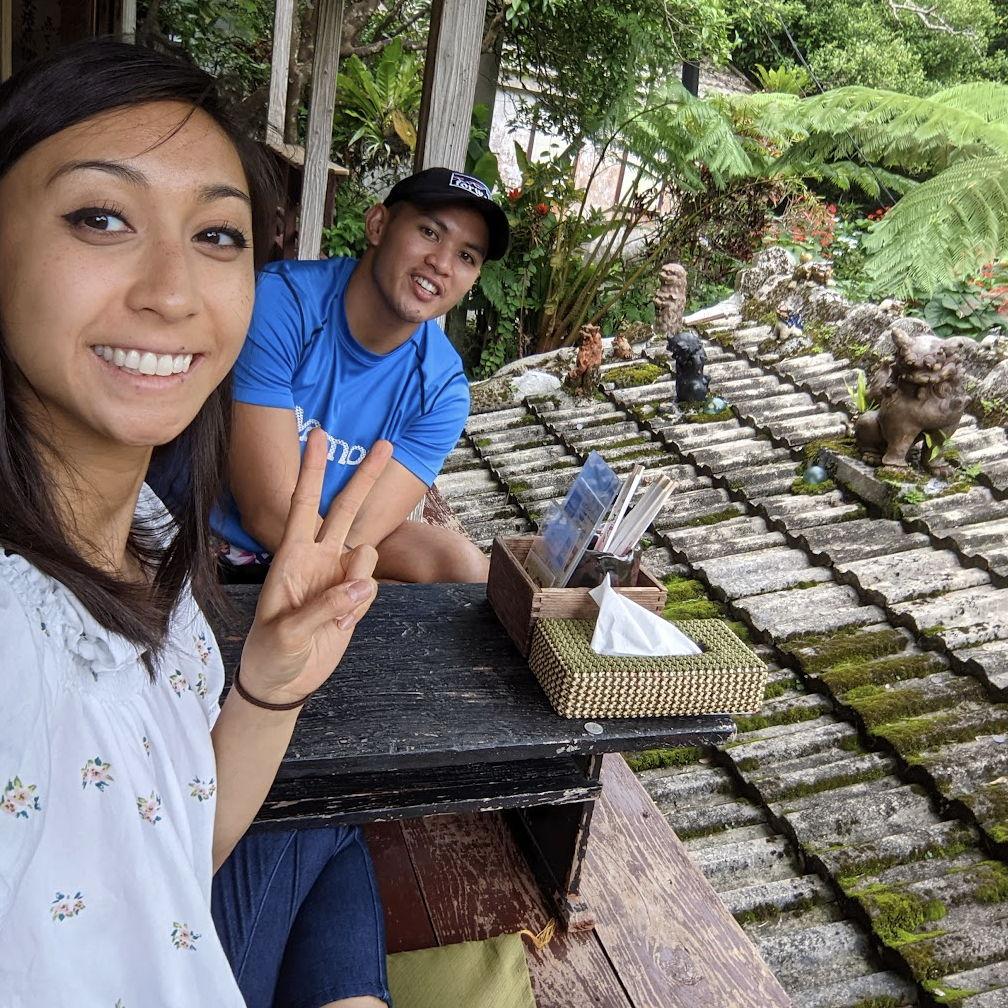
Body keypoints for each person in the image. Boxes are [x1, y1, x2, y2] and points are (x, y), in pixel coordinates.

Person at [0, 39, 392, 1008]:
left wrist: (268, 686)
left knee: (329, 827)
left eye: (218, 236)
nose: (173, 293)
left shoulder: (141, 526)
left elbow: (163, 846)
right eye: (102, 218)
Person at [210, 167, 511, 584]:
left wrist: (351, 575)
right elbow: (266, 512)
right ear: (377, 225)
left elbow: (359, 531)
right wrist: (356, 582)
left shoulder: (442, 390)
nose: (442, 263)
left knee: (464, 567)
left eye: (466, 256)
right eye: (429, 232)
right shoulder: (283, 304)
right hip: (219, 539)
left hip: (329, 547)